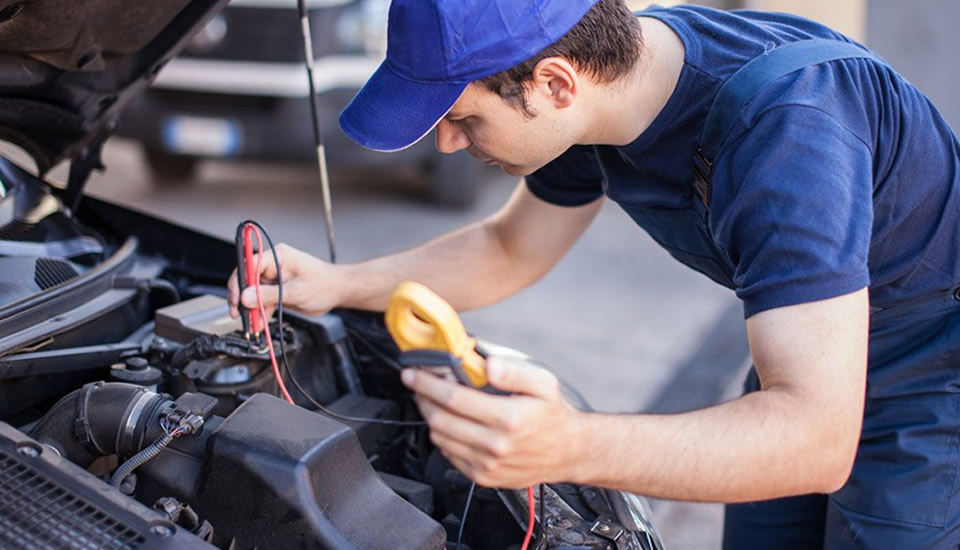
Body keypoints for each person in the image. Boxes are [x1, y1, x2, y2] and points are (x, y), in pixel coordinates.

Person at [228, 1, 960, 547]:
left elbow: (812, 439)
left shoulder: (786, 134)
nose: (448, 144)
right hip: (818, 345)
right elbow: (510, 248)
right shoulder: (600, 92)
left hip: (932, 371)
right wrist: (335, 282)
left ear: (554, 83)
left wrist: (569, 444)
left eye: (462, 117)